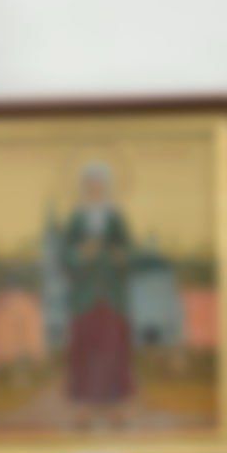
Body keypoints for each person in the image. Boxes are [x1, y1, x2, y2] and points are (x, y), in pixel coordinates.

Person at [63, 163, 135, 417]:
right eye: (91, 185)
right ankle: (84, 405)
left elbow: (129, 251)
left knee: (113, 348)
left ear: (106, 188)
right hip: (85, 297)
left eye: (99, 185)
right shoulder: (77, 219)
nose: (95, 189)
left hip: (112, 296)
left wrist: (120, 256)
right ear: (85, 188)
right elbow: (65, 255)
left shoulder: (115, 218)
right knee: (85, 348)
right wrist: (81, 254)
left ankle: (115, 405)